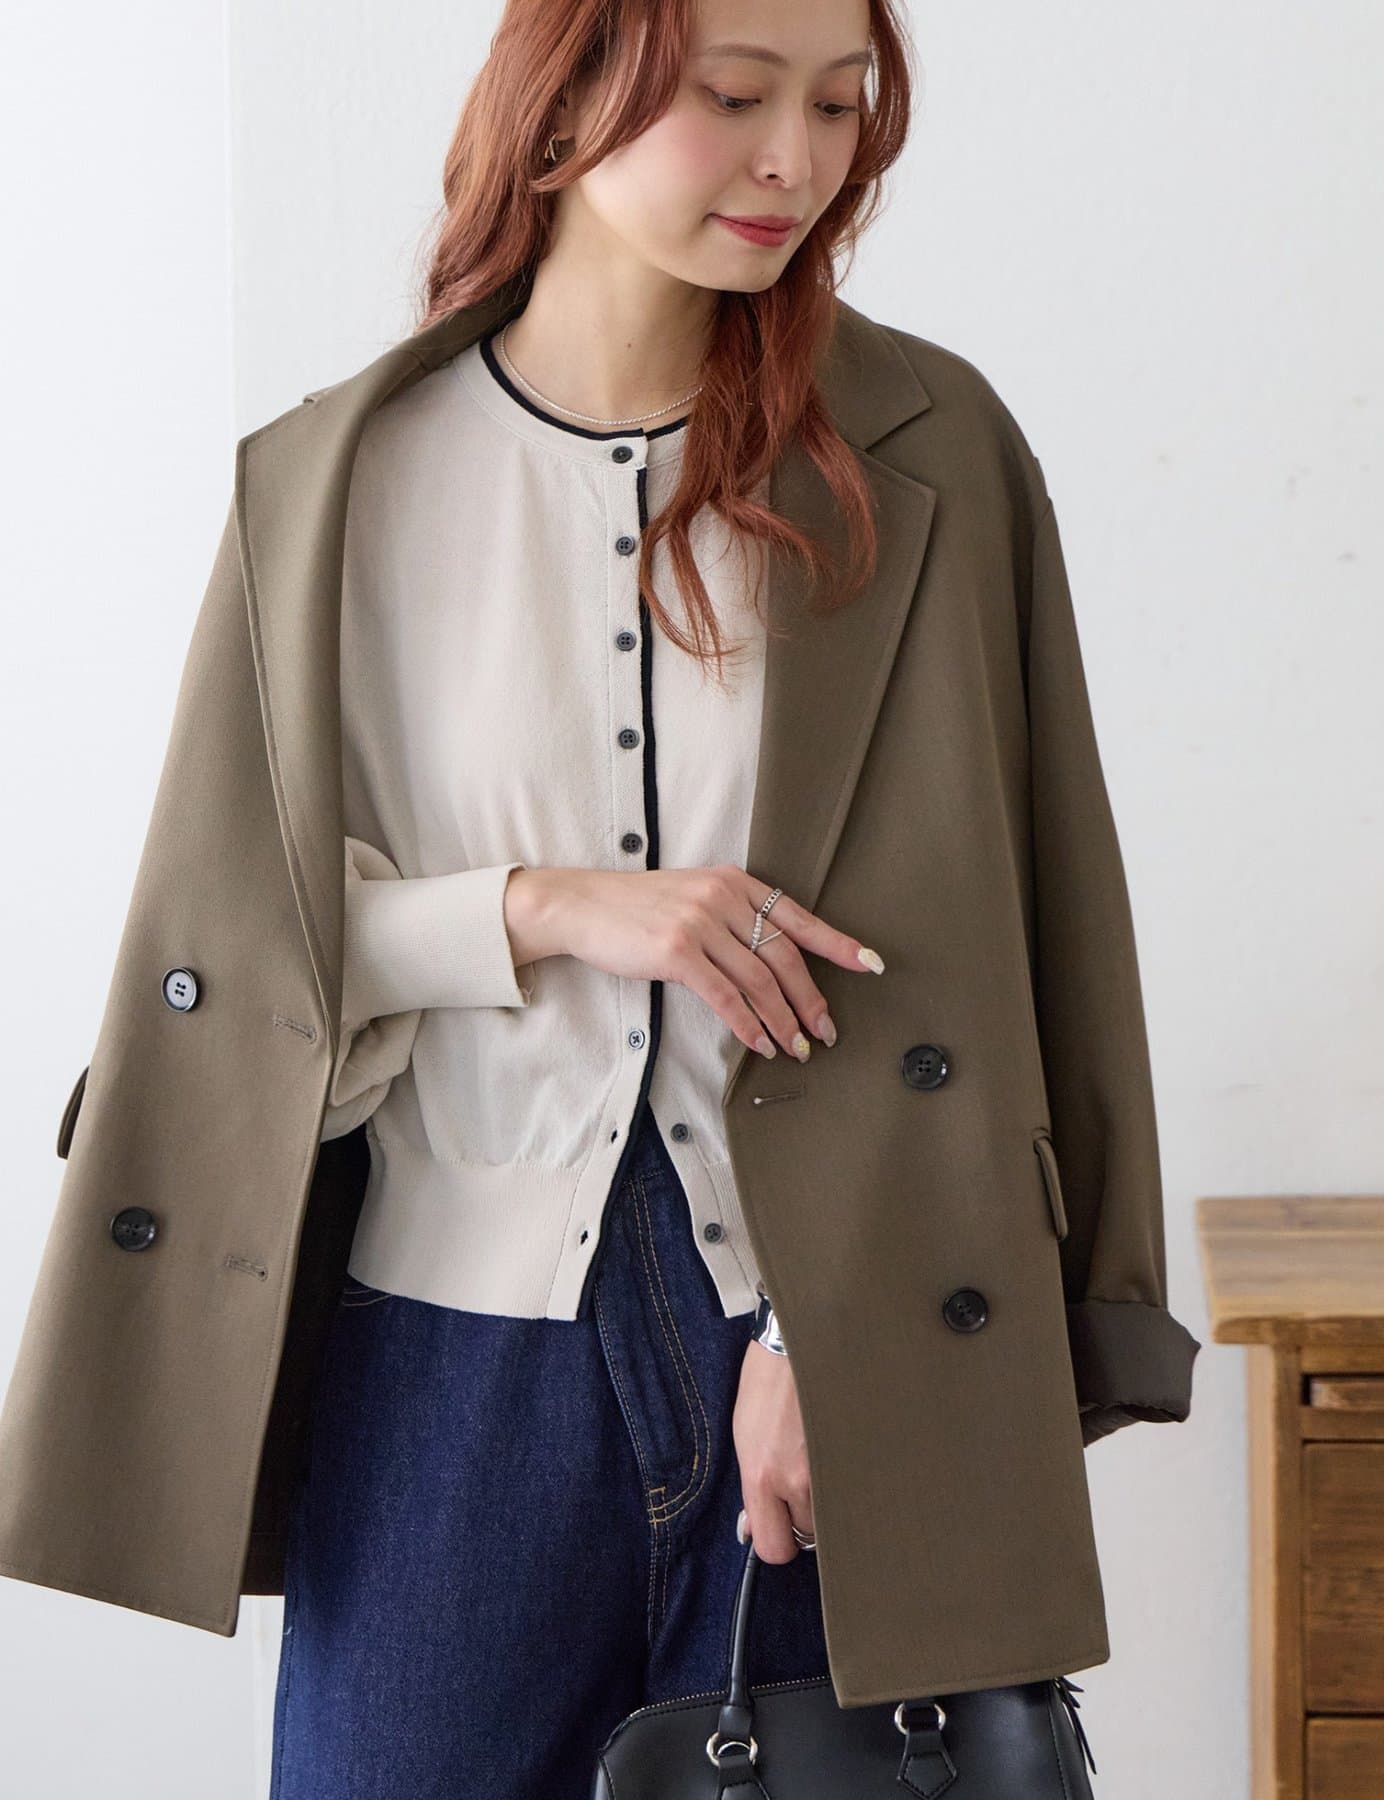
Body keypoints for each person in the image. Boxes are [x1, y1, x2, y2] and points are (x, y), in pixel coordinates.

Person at [272, 1, 915, 1793]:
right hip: (446, 1368)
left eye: (841, 105)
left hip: (806, 1349)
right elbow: (238, 964)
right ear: (565, 103)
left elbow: (988, 954)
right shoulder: (338, 486)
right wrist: (543, 908)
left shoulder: (917, 461)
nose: (797, 160)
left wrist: (830, 1326)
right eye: (736, 96)